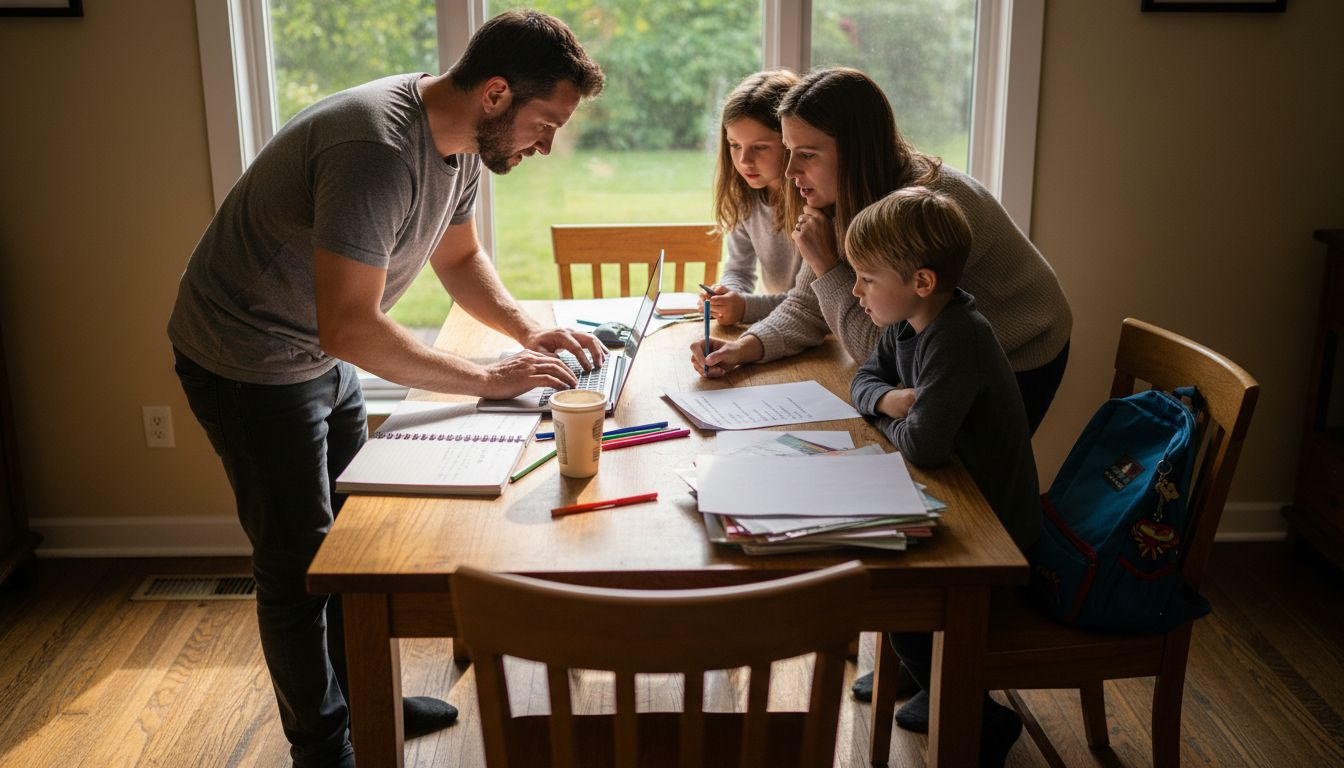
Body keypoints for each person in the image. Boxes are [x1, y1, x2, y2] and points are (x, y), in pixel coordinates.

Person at [167, 11, 605, 768]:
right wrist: (484, 380)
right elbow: (350, 328)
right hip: (248, 360)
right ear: (496, 93)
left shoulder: (464, 142)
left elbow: (461, 261)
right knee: (299, 563)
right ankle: (323, 745)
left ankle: (366, 695)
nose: (547, 143)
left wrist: (528, 333)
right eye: (545, 123)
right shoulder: (375, 146)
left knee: (351, 543)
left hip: (315, 349)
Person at [690, 67, 1072, 436]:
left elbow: (883, 352)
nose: (789, 171)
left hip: (1022, 347)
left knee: (969, 490)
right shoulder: (838, 193)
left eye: (806, 154)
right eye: (788, 151)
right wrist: (743, 348)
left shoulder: (917, 212)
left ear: (856, 151)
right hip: (942, 356)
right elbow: (807, 306)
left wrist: (825, 265)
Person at [848, 187, 1039, 767]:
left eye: (864, 277)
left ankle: (980, 716)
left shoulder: (956, 337)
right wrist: (892, 403)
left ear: (922, 282)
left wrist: (894, 413)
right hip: (956, 496)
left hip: (996, 530)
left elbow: (927, 448)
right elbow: (862, 381)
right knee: (883, 573)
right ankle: (927, 674)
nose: (855, 290)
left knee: (893, 586)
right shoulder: (906, 323)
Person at [699, 69, 801, 326]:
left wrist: (745, 308)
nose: (744, 161)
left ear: (791, 142)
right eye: (735, 146)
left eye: (760, 147)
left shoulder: (814, 202)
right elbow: (739, 270)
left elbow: (813, 304)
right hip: (780, 326)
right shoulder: (746, 199)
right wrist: (725, 294)